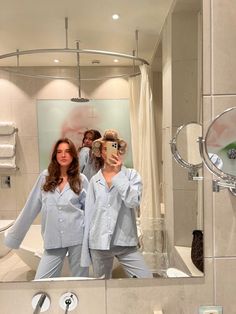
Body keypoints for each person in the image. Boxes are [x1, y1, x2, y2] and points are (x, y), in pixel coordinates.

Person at [4, 138, 89, 279]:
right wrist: (14, 238)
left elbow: (90, 212)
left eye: (67, 151)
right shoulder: (45, 177)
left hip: (77, 238)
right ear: (55, 155)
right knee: (41, 282)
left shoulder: (81, 179)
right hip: (53, 238)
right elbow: (30, 208)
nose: (63, 155)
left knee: (81, 282)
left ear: (73, 155)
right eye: (59, 151)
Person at [81, 129, 153, 279]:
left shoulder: (131, 175)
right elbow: (89, 215)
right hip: (99, 244)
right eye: (105, 149)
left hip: (125, 242)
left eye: (113, 147)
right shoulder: (95, 180)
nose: (110, 152)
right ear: (100, 152)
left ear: (119, 151)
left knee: (146, 279)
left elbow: (133, 201)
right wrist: (86, 247)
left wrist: (119, 174)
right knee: (102, 289)